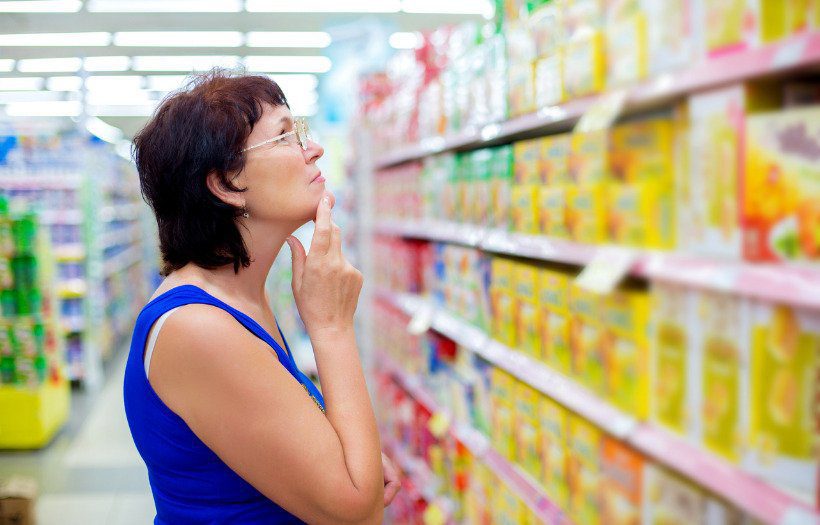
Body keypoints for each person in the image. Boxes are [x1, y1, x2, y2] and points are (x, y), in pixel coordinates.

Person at [123, 70, 400, 524]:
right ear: (227, 184)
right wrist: (331, 327)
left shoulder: (237, 298)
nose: (314, 149)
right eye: (285, 136)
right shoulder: (200, 328)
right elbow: (360, 514)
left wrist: (346, 454)